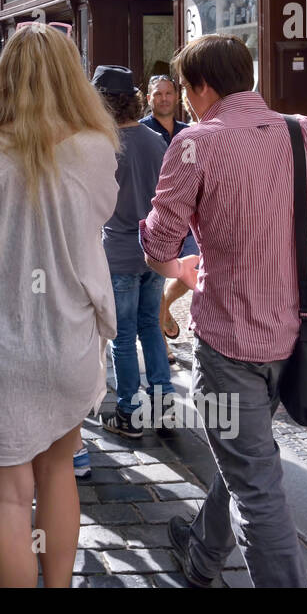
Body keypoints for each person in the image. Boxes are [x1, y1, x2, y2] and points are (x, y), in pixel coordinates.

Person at [141, 34, 307, 588]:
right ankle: (202, 558)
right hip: (297, 335)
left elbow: (159, 249)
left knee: (257, 488)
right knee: (249, 456)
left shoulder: (193, 145)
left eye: (183, 88)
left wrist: (160, 239)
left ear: (200, 87)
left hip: (229, 343)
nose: (183, 100)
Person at [0, 24, 120, 587]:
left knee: (9, 499)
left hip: (1, 349)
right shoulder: (96, 149)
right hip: (68, 339)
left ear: (1, 78)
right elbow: (97, 221)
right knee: (61, 472)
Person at [93, 66, 173, 440]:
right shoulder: (156, 139)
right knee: (150, 327)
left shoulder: (105, 145)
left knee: (123, 336)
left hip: (120, 251)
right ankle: (164, 404)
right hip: (154, 249)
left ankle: (129, 411)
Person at [142, 74, 199, 363]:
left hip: (188, 216)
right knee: (154, 281)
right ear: (149, 98)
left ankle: (165, 308)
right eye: (158, 94)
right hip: (155, 216)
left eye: (168, 93)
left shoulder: (187, 132)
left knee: (192, 270)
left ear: (176, 97)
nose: (164, 98)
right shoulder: (141, 131)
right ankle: (162, 346)